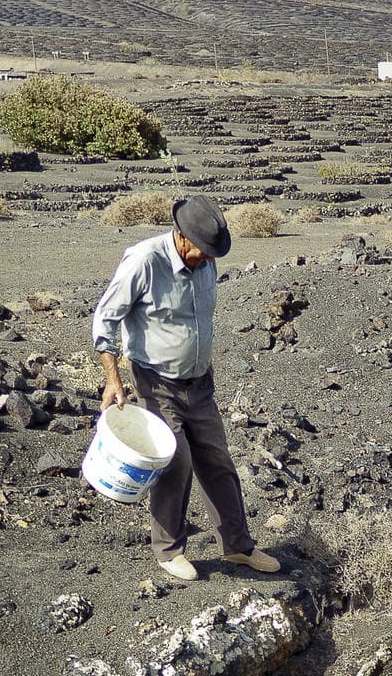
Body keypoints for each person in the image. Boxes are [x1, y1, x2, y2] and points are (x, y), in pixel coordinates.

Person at [92, 193, 279, 584]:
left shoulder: (206, 260)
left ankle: (238, 546)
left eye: (212, 255)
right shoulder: (145, 261)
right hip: (156, 382)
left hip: (200, 382)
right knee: (176, 462)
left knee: (218, 460)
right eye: (202, 252)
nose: (208, 260)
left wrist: (201, 355)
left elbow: (198, 317)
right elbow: (105, 319)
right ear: (181, 236)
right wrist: (113, 379)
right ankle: (169, 550)